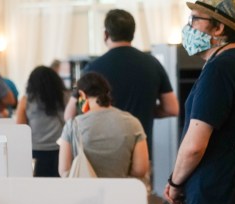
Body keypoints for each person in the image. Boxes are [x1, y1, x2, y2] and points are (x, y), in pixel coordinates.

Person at [163, 0, 235, 204]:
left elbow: (194, 145)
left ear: (219, 28)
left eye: (195, 20)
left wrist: (175, 182)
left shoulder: (220, 68)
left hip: (212, 199)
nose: (188, 27)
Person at [66, 9, 179, 158]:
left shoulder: (92, 69)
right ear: (132, 33)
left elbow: (70, 113)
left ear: (106, 34)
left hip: (102, 153)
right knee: (139, 180)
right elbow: (172, 108)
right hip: (140, 151)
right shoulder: (153, 64)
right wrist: (146, 110)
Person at [58, 72, 149, 179]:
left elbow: (64, 170)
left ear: (82, 95)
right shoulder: (133, 122)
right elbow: (140, 170)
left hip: (84, 193)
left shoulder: (73, 125)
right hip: (121, 191)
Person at [17, 66, 66, 177]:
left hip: (35, 152)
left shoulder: (26, 101)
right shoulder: (63, 98)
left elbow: (20, 129)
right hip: (61, 150)